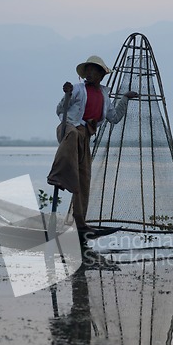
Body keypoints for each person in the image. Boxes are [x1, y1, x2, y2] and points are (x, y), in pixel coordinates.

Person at [47, 55, 138, 235]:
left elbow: (114, 118)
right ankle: (57, 176)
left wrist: (125, 98)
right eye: (87, 71)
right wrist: (66, 94)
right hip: (68, 129)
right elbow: (60, 109)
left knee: (83, 179)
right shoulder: (77, 89)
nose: (89, 74)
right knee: (73, 134)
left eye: (93, 71)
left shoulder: (104, 94)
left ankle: (80, 223)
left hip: (85, 138)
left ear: (101, 75)